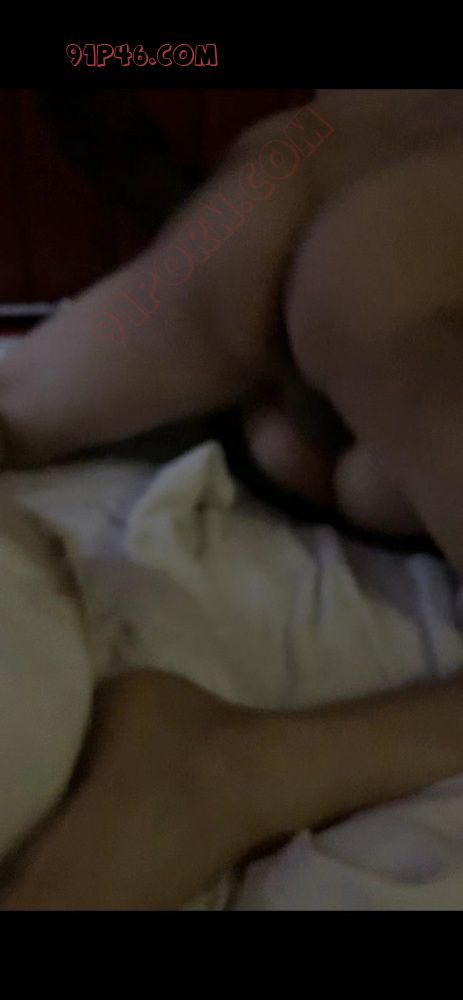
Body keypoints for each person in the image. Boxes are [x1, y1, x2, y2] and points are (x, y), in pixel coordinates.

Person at [2, 89, 463, 909]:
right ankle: (235, 767)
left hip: (305, 189)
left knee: (21, 402)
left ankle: (228, 768)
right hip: (381, 260)